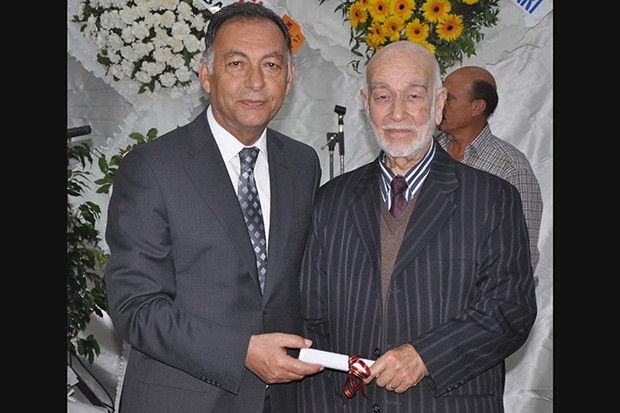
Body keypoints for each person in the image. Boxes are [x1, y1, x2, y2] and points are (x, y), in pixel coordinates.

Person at [104, 3, 323, 413]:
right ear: (206, 74)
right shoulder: (152, 167)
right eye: (237, 63)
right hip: (180, 400)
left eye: (271, 65)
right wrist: (242, 351)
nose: (255, 82)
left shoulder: (302, 163)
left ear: (290, 77)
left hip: (281, 400)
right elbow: (136, 307)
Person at [297, 41, 537, 413]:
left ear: (438, 103)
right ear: (366, 104)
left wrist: (425, 356)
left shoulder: (492, 197)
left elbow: (510, 309)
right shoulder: (331, 200)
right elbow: (312, 325)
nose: (397, 113)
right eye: (383, 96)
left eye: (413, 96)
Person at [436, 66, 543, 274]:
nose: (439, 104)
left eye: (449, 98)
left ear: (477, 107)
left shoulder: (511, 168)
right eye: (440, 96)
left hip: (477, 290)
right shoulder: (425, 153)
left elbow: (522, 255)